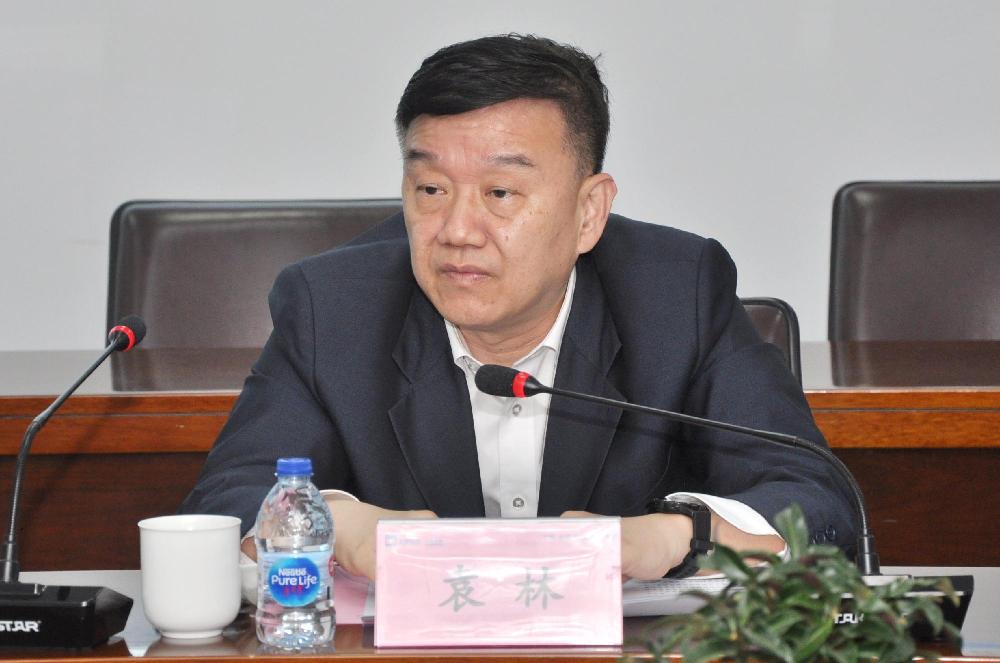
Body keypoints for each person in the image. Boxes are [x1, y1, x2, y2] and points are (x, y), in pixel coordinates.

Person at [180, 34, 856, 581]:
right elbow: (225, 504)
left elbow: (817, 503)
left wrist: (677, 536)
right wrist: (336, 523)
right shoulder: (332, 307)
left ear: (589, 211)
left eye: (500, 193)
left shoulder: (677, 294)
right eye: (430, 189)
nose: (457, 230)